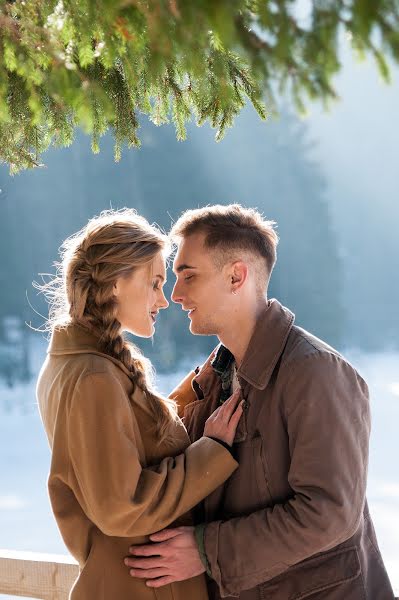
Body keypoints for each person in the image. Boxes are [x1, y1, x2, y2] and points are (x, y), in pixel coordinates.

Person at [125, 204, 396, 599]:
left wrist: (205, 549)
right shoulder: (214, 378)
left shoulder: (316, 372)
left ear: (236, 276)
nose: (176, 294)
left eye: (189, 276)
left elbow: (328, 514)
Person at [36, 208, 243, 600]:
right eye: (155, 283)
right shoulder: (93, 377)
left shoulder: (82, 366)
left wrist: (193, 394)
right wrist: (212, 453)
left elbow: (129, 443)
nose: (163, 301)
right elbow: (123, 506)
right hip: (138, 587)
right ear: (116, 282)